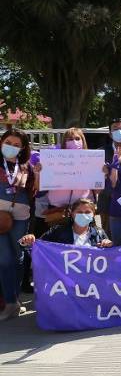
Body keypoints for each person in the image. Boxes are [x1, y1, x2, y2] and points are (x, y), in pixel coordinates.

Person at [0, 130, 36, 321]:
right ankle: (10, 302)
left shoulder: (27, 167)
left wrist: (38, 174)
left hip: (21, 217)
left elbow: (33, 192)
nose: (11, 147)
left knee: (18, 257)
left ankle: (15, 298)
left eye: (16, 144)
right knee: (4, 259)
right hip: (0, 217)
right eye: (8, 142)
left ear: (22, 148)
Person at [19, 199, 112, 249]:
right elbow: (38, 249)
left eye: (87, 212)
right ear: (72, 214)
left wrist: (109, 246)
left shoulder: (99, 233)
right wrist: (27, 241)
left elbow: (109, 259)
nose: (83, 215)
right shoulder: (57, 231)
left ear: (93, 215)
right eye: (79, 212)